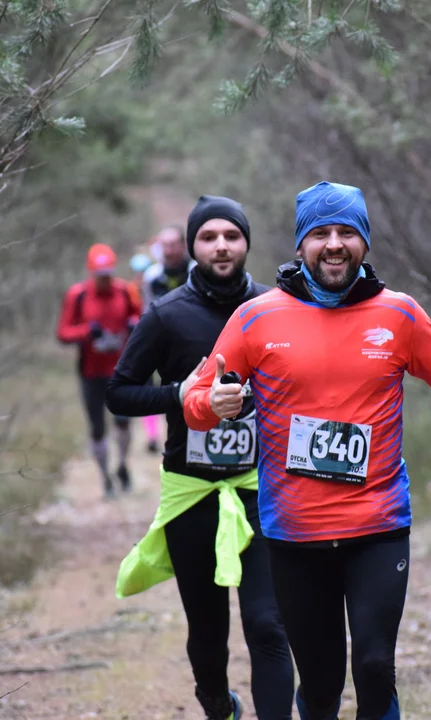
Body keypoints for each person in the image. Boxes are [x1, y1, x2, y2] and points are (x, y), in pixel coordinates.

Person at [183, 181, 431, 720]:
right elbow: (196, 401)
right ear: (300, 245)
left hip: (379, 525)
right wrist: (215, 404)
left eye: (348, 231)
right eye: (320, 233)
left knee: (373, 667)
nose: (334, 243)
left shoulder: (400, 315)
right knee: (321, 688)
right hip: (295, 533)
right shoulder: (257, 317)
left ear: (365, 241)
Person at [107, 197, 294, 720]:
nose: (221, 246)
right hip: (191, 492)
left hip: (260, 490)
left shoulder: (273, 307)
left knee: (267, 624)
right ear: (192, 246)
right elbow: (118, 393)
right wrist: (177, 394)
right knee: (208, 634)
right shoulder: (167, 316)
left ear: (246, 243)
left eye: (231, 236)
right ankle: (217, 702)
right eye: (208, 236)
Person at [56, 243, 141, 498]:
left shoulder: (125, 291)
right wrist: (86, 333)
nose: (105, 280)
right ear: (91, 272)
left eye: (108, 274)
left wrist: (133, 324)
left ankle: (123, 466)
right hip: (91, 372)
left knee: (124, 423)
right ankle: (105, 478)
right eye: (100, 275)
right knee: (97, 428)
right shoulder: (78, 295)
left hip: (121, 371)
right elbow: (62, 332)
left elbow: (142, 318)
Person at [127, 250, 163, 454]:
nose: (140, 276)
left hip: (159, 343)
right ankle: (152, 435)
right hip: (141, 346)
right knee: (147, 388)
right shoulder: (129, 291)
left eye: (143, 272)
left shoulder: (156, 287)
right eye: (137, 272)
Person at [144, 225, 195, 300]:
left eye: (173, 245)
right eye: (164, 245)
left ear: (184, 245)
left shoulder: (195, 271)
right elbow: (148, 306)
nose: (168, 252)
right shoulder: (151, 275)